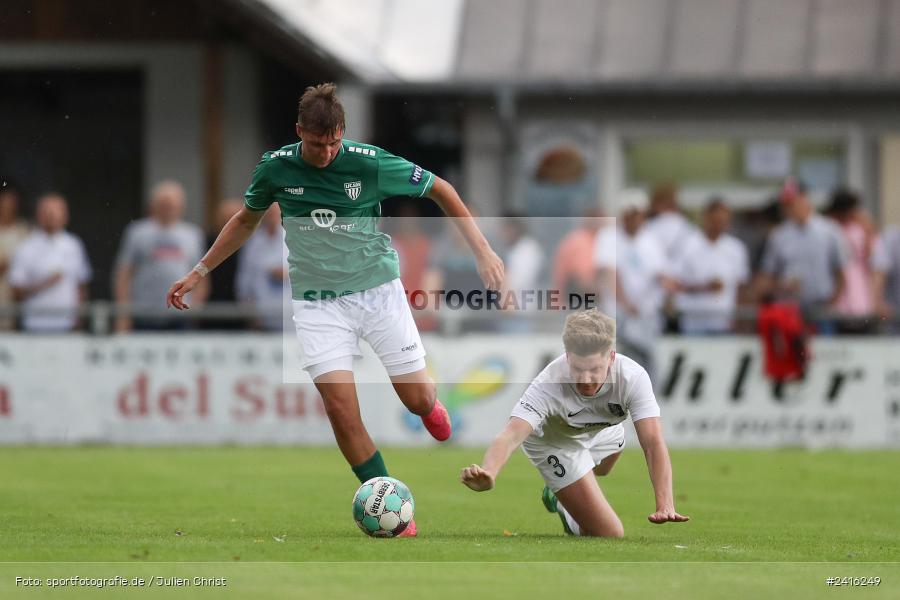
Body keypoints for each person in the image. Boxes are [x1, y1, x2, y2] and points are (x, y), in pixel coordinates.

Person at [166, 83, 505, 537]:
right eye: (316, 143)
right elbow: (246, 219)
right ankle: (389, 505)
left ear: (342, 132)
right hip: (318, 303)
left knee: (417, 399)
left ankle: (429, 405)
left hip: (378, 292)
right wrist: (200, 269)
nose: (326, 153)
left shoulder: (368, 162)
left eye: (333, 143)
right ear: (299, 131)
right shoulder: (276, 167)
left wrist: (483, 251)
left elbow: (441, 189)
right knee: (341, 409)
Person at [460, 309, 688, 537]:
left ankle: (569, 487)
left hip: (601, 433)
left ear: (611, 357)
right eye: (578, 369)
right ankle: (563, 503)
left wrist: (665, 504)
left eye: (595, 370)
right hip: (554, 444)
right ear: (568, 357)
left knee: (604, 468)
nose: (586, 380)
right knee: (610, 533)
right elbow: (510, 435)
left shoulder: (633, 377)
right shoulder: (548, 384)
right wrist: (489, 472)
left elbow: (653, 442)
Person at [594, 189, 677, 381]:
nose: (634, 219)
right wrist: (625, 304)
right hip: (617, 317)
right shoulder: (608, 237)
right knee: (616, 368)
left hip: (646, 317)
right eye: (630, 214)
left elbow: (662, 274)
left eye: (638, 214)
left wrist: (670, 294)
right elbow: (610, 273)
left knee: (646, 366)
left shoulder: (651, 240)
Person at [756, 178, 848, 333]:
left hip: (821, 308)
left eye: (792, 202)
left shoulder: (830, 231)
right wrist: (780, 286)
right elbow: (767, 276)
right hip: (788, 308)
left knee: (824, 347)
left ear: (805, 199)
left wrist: (832, 303)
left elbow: (841, 273)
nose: (788, 208)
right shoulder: (779, 235)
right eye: (785, 204)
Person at [114, 180, 207, 331]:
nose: (168, 209)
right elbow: (124, 274)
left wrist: (196, 309)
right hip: (143, 314)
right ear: (153, 205)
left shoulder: (193, 234)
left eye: (172, 205)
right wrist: (123, 313)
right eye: (164, 204)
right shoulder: (137, 232)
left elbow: (202, 275)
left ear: (181, 206)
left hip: (181, 316)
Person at [9, 193, 91, 332]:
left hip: (67, 327)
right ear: (39, 215)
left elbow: (81, 285)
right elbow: (15, 292)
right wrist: (45, 283)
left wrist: (79, 320)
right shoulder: (26, 247)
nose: (53, 216)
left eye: (58, 211)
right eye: (48, 211)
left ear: (66, 215)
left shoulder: (74, 245)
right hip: (34, 326)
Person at [674, 199, 750, 334]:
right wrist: (705, 287)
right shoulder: (687, 245)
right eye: (716, 221)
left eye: (723, 221)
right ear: (706, 218)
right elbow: (675, 284)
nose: (719, 225)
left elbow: (741, 287)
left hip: (724, 323)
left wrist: (740, 319)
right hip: (693, 323)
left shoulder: (736, 248)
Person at [235, 204, 288, 331]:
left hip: (290, 319)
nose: (270, 216)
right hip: (262, 320)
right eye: (267, 212)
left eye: (274, 213)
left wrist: (287, 273)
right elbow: (244, 281)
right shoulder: (253, 241)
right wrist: (248, 313)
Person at [0, 184, 30, 329]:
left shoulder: (24, 230)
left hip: (17, 296)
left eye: (12, 202)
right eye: (5, 201)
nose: (8, 206)